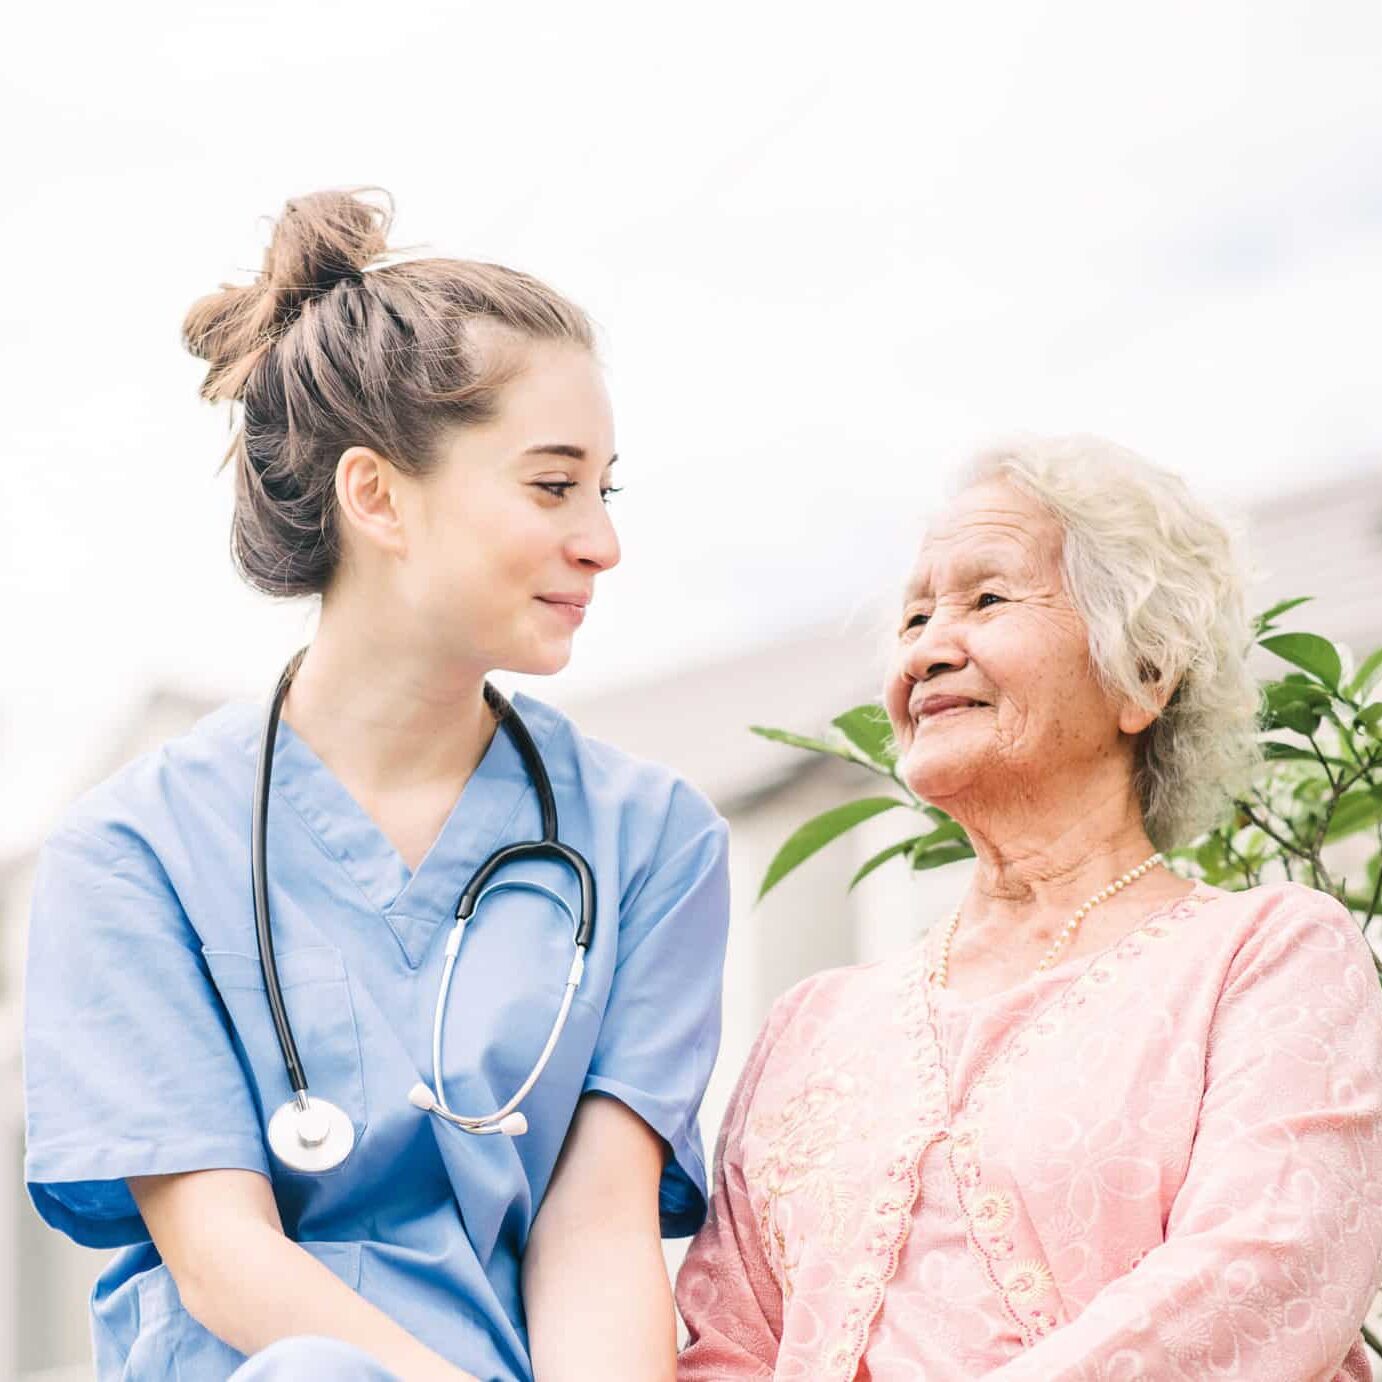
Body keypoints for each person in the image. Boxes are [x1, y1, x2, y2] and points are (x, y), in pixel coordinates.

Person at [24, 189, 730, 1382]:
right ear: (375, 496)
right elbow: (220, 1256)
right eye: (552, 486)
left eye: (603, 493)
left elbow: (597, 1229)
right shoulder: (131, 852)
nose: (601, 542)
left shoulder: (653, 839)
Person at [676, 433, 1382, 1380]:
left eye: (988, 599)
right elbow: (728, 1341)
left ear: (1144, 673)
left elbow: (1266, 1269)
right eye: (914, 617)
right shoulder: (811, 1023)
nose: (926, 649)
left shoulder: (1268, 953)